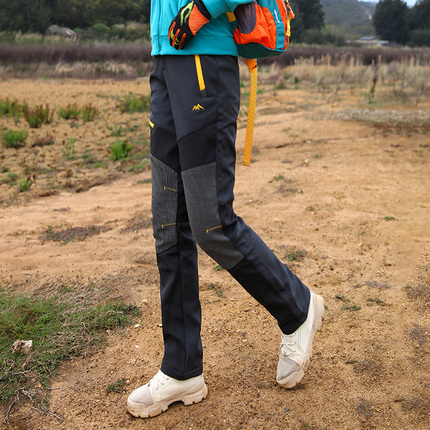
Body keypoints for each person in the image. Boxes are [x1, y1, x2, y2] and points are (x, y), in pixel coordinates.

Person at [127, 0, 325, 419]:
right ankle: (182, 369)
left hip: (205, 58)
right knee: (168, 222)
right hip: (165, 59)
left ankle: (298, 308)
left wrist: (199, 10)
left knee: (211, 222)